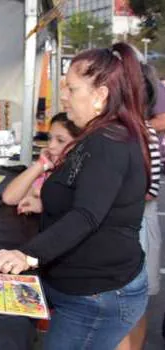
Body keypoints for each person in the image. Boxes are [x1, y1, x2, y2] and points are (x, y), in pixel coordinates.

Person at [0, 43, 150, 349]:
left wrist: (26, 254)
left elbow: (86, 215)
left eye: (71, 89)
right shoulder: (97, 136)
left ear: (100, 95)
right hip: (78, 286)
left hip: (96, 296)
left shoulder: (108, 142)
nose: (63, 97)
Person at [117, 61, 164, 350]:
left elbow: (149, 191)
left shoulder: (140, 135)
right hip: (135, 229)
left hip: (136, 232)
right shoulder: (134, 132)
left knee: (129, 308)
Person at [1, 112, 80, 214]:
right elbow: (9, 198)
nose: (51, 145)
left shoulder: (78, 177)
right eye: (50, 138)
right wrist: (41, 164)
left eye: (60, 140)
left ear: (78, 144)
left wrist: (43, 205)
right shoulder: (48, 172)